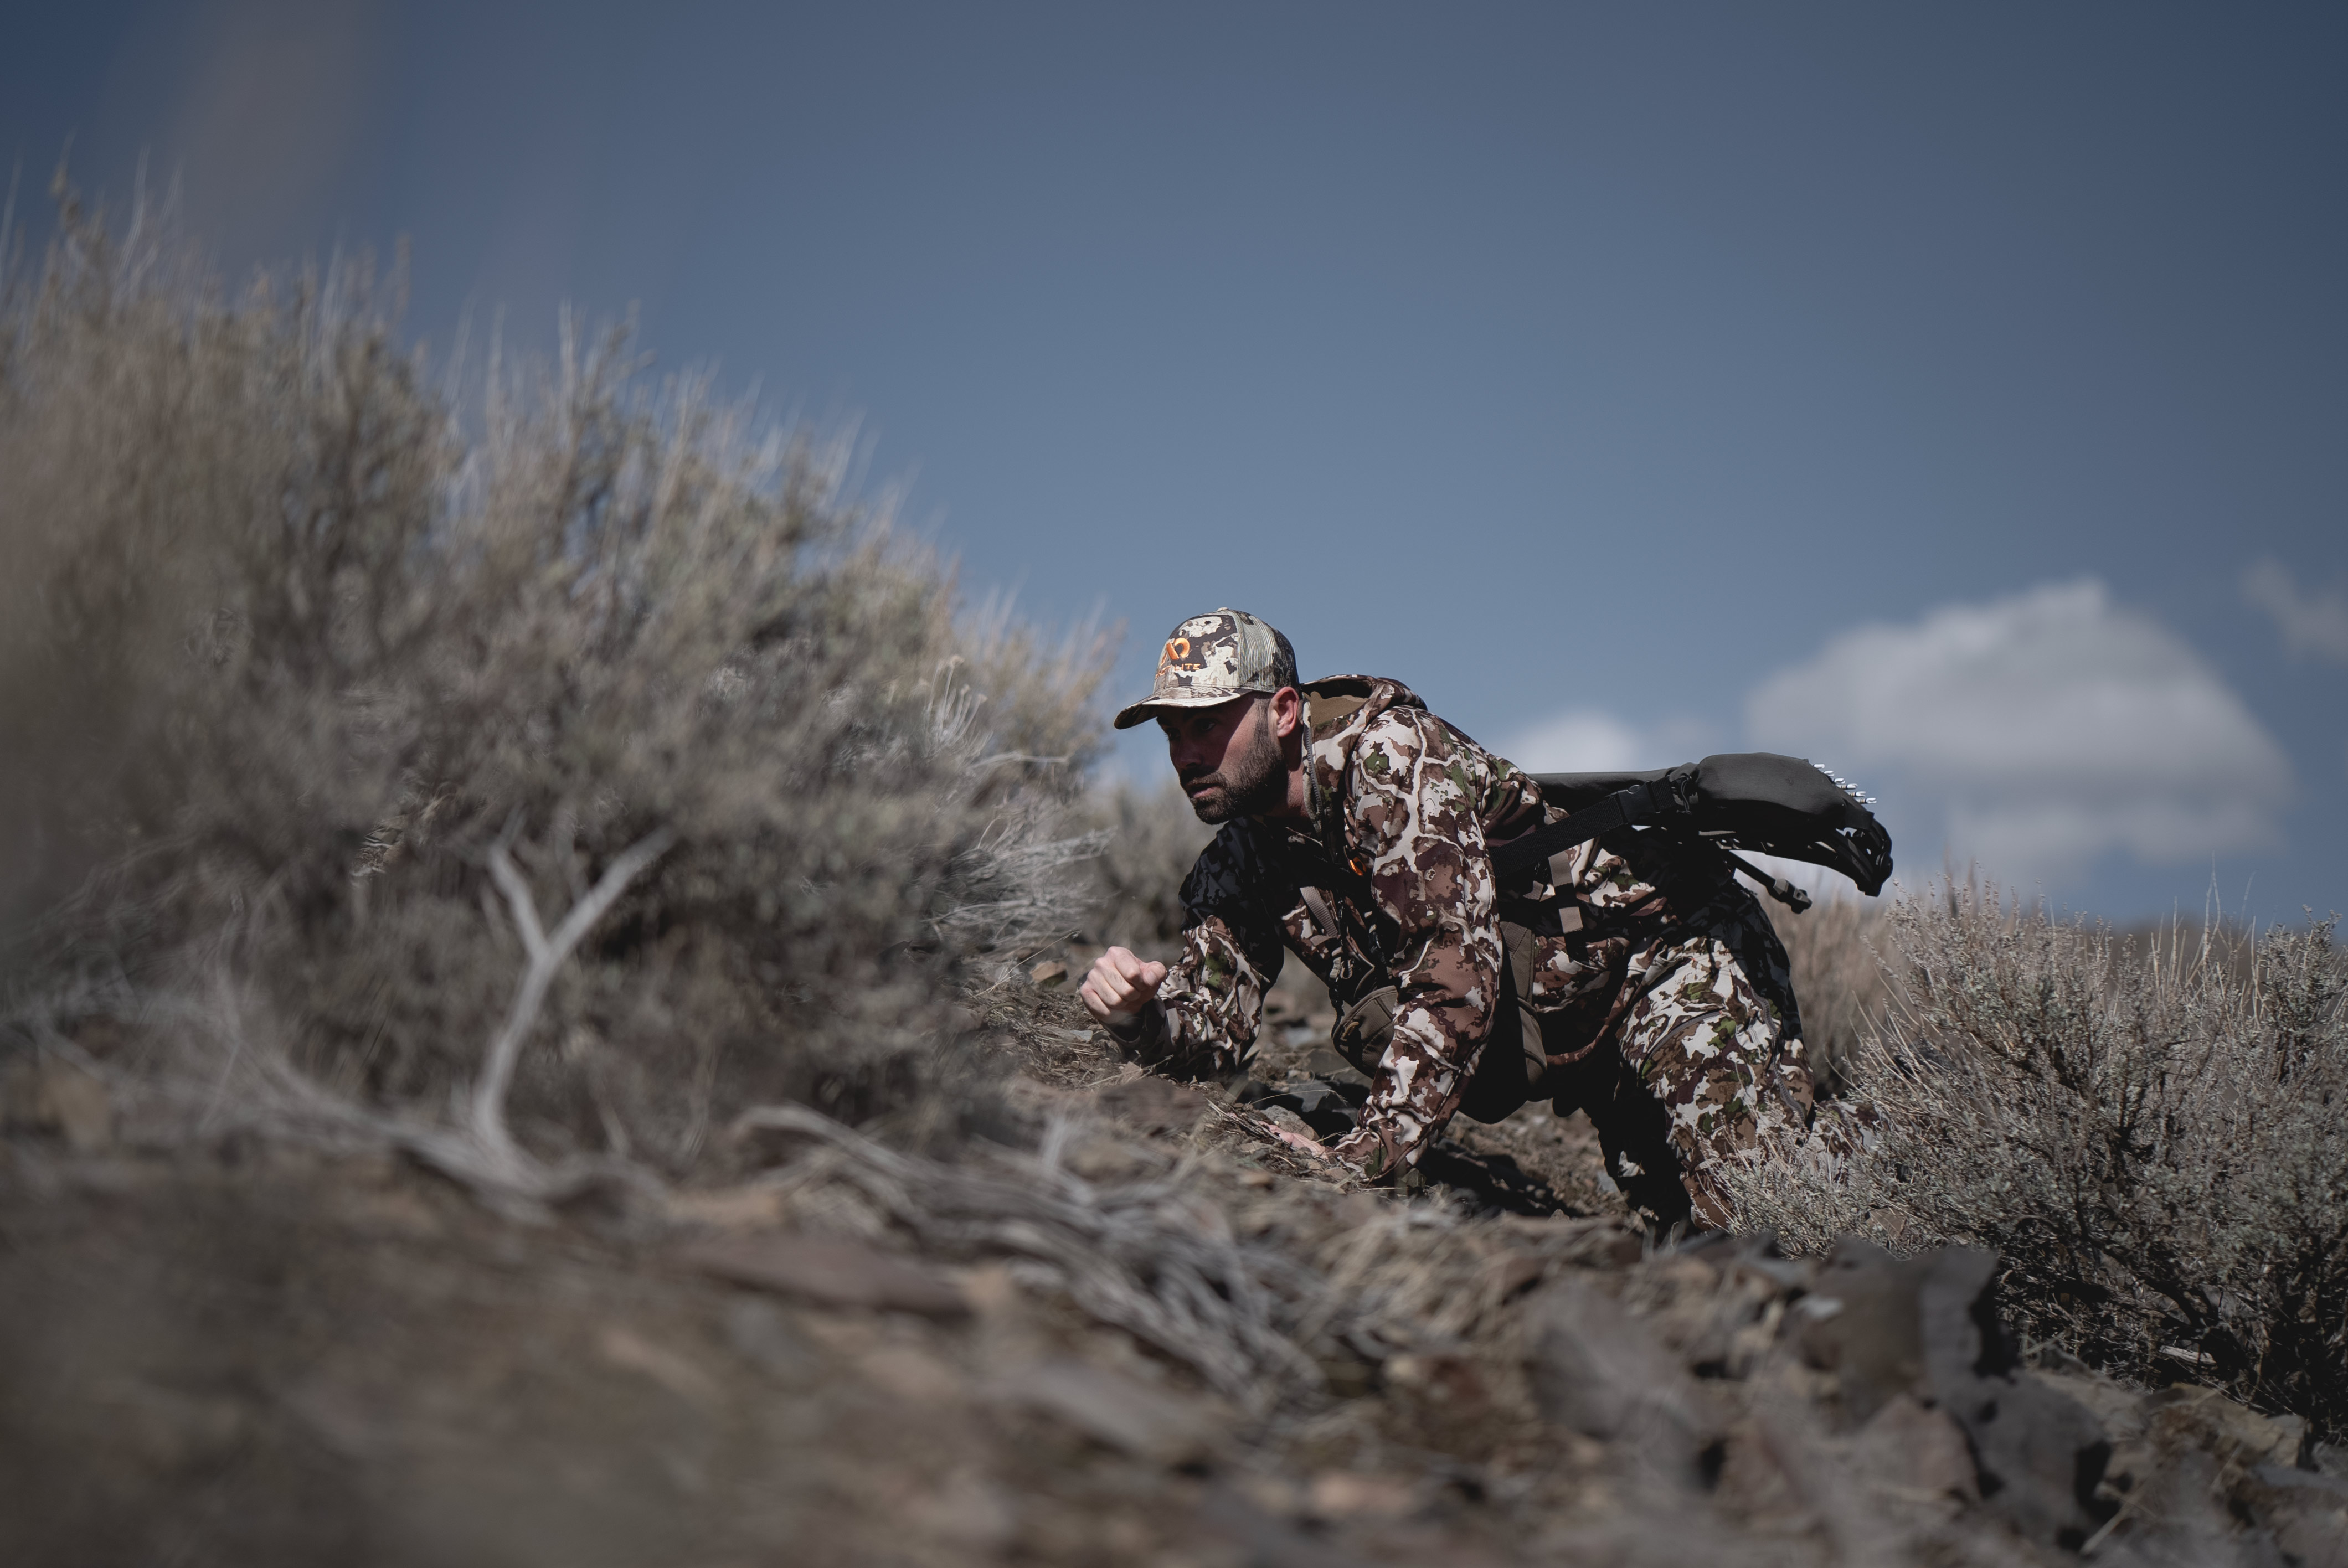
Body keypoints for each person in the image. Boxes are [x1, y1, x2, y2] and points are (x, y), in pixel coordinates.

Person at [1079, 607, 1830, 1231]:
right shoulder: (1243, 858)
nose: (1185, 755)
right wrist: (1143, 1016)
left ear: (1281, 712)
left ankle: (1916, 1152)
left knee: (1770, 1217)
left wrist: (1363, 1161)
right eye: (1172, 732)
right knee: (1677, 1232)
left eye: (1206, 724)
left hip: (1668, 960)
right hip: (1568, 1029)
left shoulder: (1391, 764)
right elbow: (1210, 1037)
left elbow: (1453, 981)